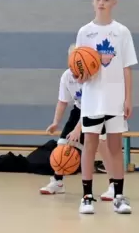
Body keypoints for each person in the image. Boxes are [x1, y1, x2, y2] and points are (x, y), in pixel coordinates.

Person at [75, 0, 134, 215]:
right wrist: (80, 76)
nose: (102, 3)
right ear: (93, 0)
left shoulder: (122, 32)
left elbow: (127, 68)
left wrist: (129, 99)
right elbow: (77, 67)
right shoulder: (84, 32)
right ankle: (87, 196)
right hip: (92, 99)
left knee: (114, 147)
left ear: (114, 2)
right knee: (89, 146)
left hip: (115, 99)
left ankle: (119, 196)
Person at [39, 44, 114, 198]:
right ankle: (57, 182)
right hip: (79, 110)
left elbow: (92, 106)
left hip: (99, 110)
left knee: (102, 146)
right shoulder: (67, 76)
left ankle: (114, 185)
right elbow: (62, 102)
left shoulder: (95, 76)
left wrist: (78, 129)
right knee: (62, 145)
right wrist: (55, 122)